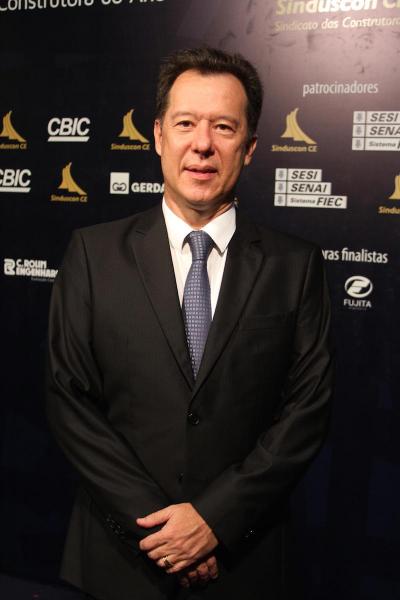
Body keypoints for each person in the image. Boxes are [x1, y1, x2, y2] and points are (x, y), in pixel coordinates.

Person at [46, 47, 333, 600]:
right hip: (120, 560)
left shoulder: (296, 267)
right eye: (185, 124)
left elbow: (306, 413)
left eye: (224, 127)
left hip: (242, 562)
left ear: (250, 147)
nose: (203, 144)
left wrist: (213, 522)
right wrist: (163, 532)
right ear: (157, 135)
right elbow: (69, 401)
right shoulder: (92, 254)